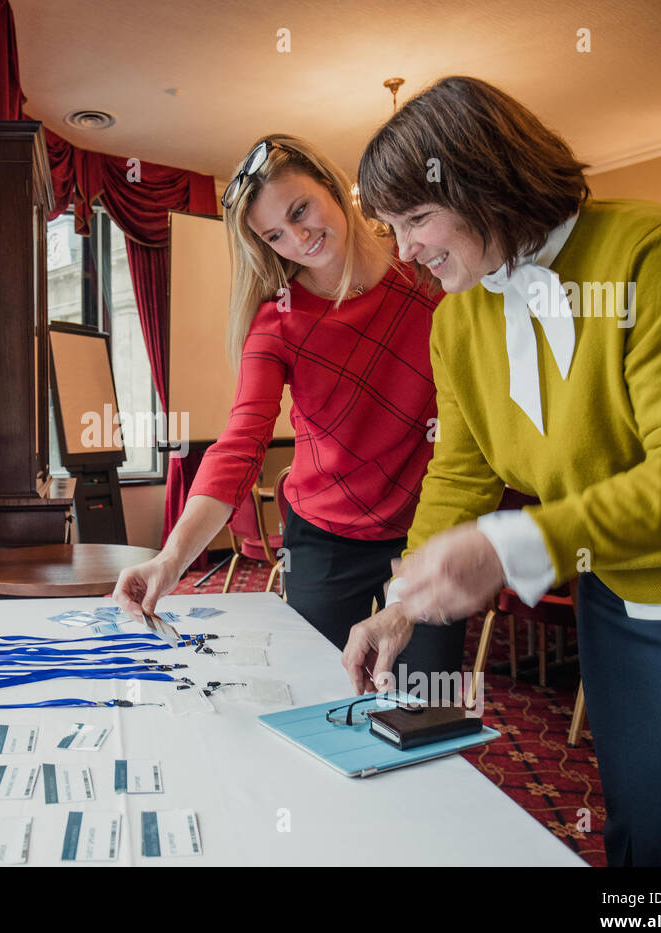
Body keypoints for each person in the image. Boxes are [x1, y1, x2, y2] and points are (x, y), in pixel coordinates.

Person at [347, 75, 661, 866]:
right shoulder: (456, 320)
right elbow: (462, 471)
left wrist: (515, 545)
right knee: (634, 817)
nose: (403, 250)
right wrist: (400, 605)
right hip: (612, 589)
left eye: (417, 218)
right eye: (391, 224)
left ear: (486, 182)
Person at [114, 134, 466, 685]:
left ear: (332, 185)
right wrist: (170, 559)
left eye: (300, 209)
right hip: (325, 535)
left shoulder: (428, 276)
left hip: (430, 525)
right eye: (274, 234)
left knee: (428, 704)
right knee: (324, 695)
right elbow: (239, 445)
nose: (299, 238)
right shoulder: (277, 321)